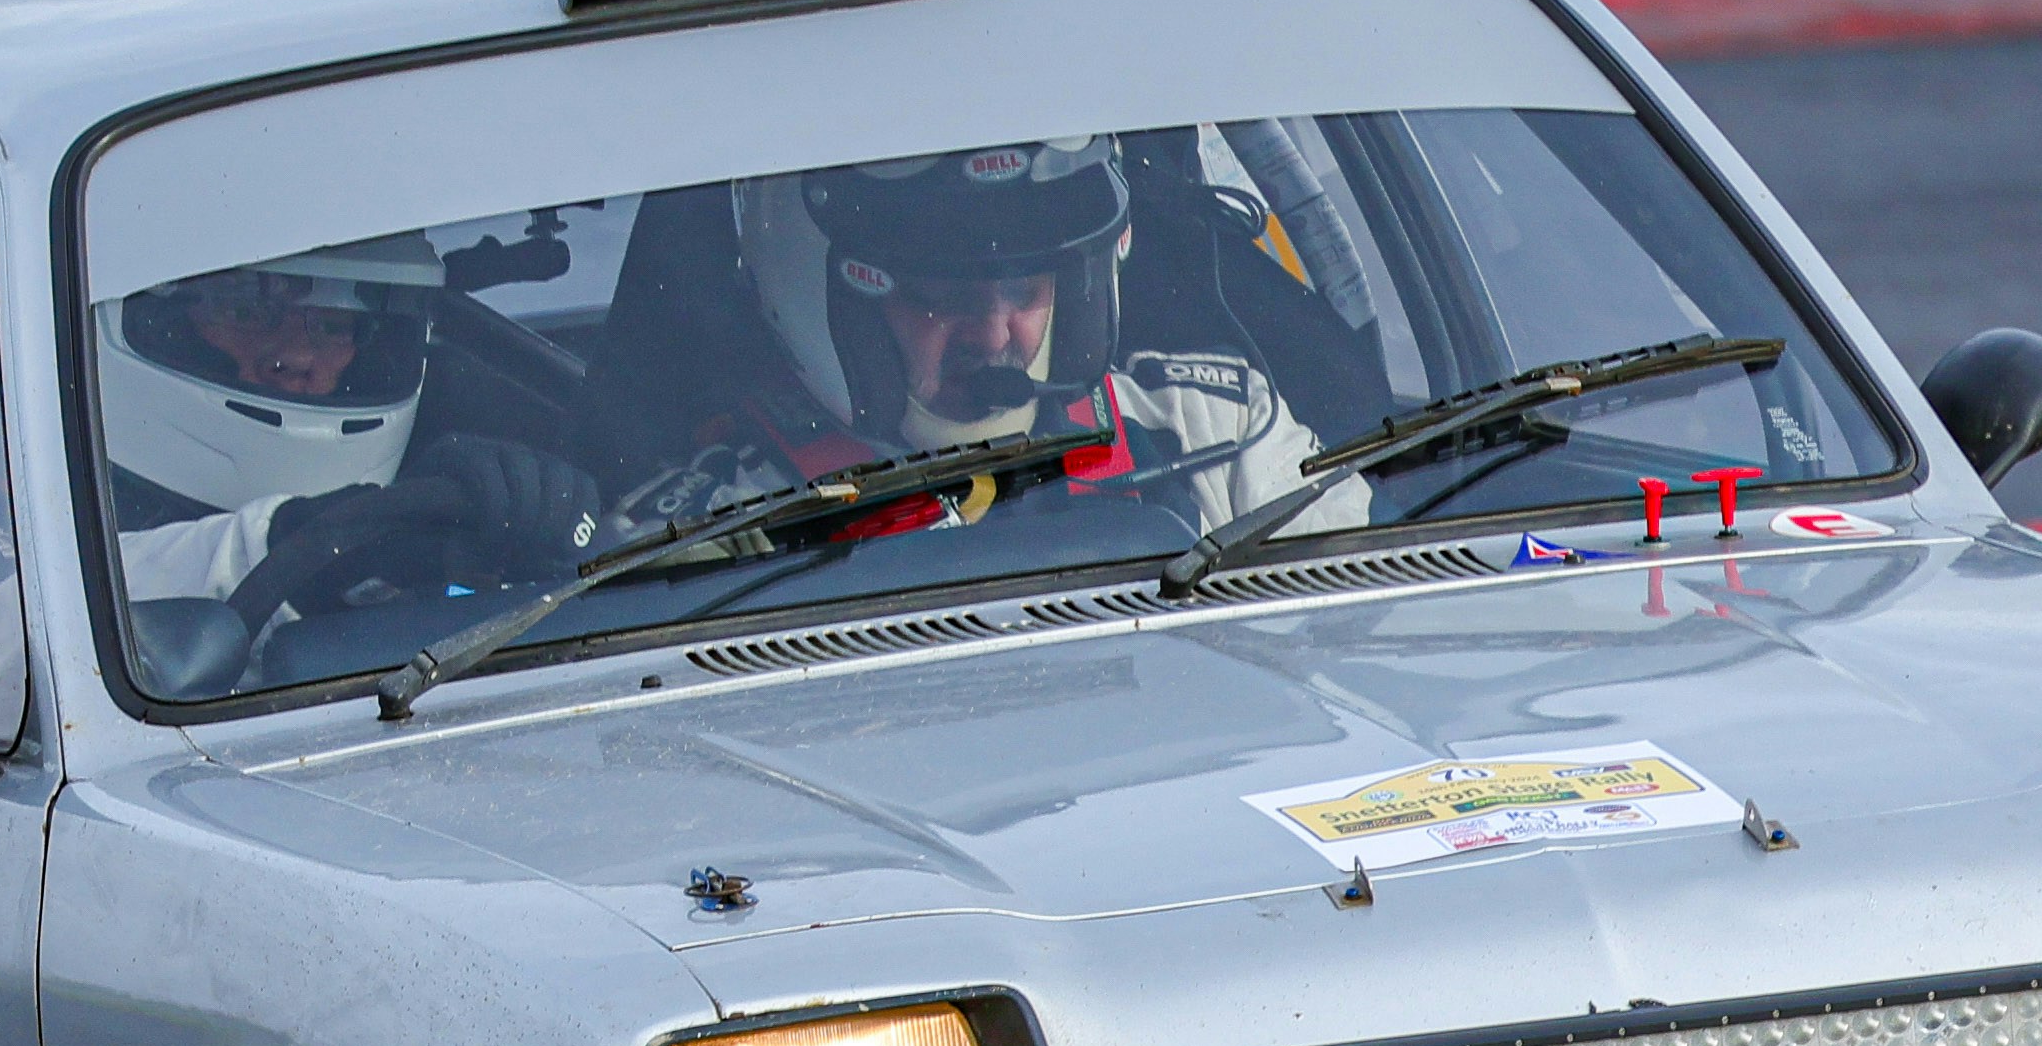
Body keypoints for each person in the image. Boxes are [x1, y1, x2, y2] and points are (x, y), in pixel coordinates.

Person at [605, 138, 1352, 551]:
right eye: (939, 298)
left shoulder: (1215, 435)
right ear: (814, 293)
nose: (997, 335)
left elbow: (1353, 649)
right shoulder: (715, 534)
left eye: (1027, 291)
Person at [99, 232, 605, 692]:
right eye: (246, 314)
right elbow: (36, 634)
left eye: (334, 322)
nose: (297, 355)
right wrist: (301, 548)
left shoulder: (454, 456)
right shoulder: (37, 459)